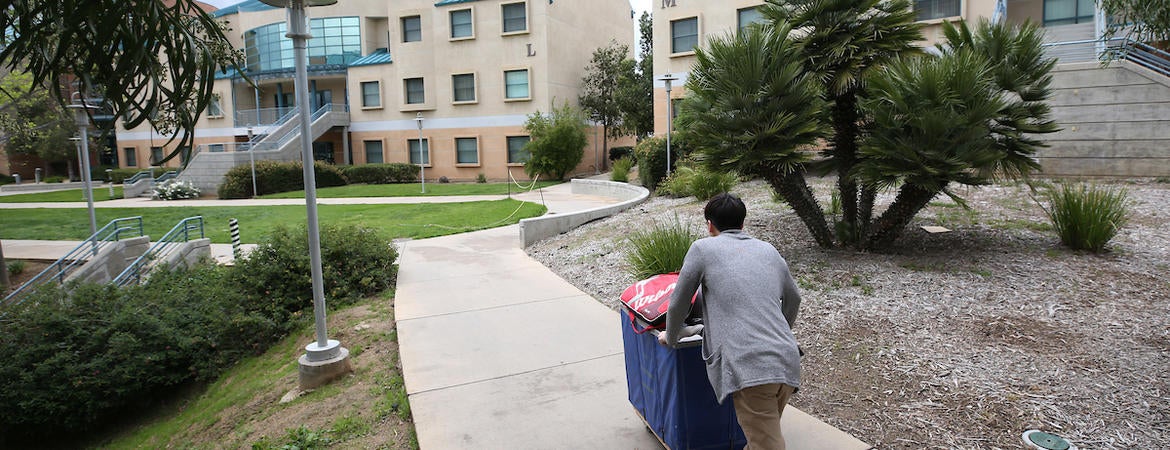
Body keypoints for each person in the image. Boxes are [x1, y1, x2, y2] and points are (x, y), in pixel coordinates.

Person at [660, 192, 803, 449]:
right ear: (743, 223)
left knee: (765, 443)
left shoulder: (703, 248)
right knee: (759, 438)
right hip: (786, 360)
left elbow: (679, 302)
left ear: (709, 225)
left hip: (752, 366)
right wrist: (777, 336)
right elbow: (794, 298)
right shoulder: (767, 250)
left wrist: (670, 337)